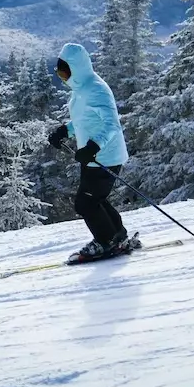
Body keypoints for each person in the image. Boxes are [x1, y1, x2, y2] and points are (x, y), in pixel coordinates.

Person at [47, 42, 135, 262]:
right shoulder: (81, 89)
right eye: (58, 72)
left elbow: (111, 125)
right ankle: (118, 236)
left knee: (85, 203)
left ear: (76, 68)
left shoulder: (95, 89)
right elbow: (84, 120)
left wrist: (93, 146)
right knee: (96, 199)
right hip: (93, 157)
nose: (61, 76)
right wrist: (64, 131)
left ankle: (106, 242)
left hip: (105, 156)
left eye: (64, 71)